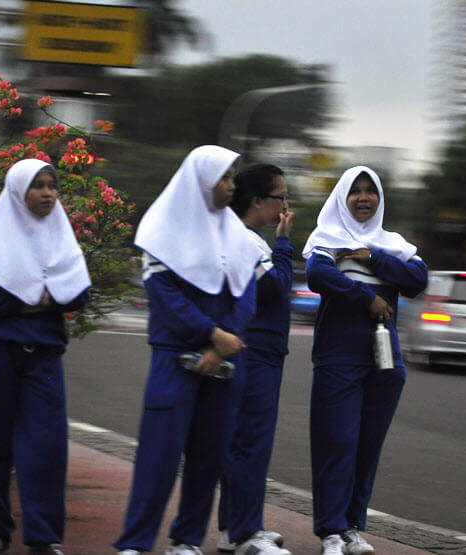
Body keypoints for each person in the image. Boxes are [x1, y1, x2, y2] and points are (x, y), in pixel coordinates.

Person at [114, 145, 262, 555]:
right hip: (174, 357)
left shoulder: (236, 235)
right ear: (201, 179)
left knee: (208, 457)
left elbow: (247, 294)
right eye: (225, 177)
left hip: (226, 360)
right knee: (158, 455)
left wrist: (222, 341)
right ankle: (136, 542)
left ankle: (187, 540)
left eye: (234, 177)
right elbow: (162, 293)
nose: (233, 186)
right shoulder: (162, 227)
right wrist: (211, 334)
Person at [0, 158, 91, 555]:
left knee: (46, 448)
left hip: (43, 357)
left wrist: (26, 297)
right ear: (18, 191)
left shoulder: (61, 236)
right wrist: (42, 298)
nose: (48, 193)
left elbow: (78, 292)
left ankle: (44, 538)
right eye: (39, 186)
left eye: (52, 185)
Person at [302, 166, 427, 555]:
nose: (362, 198)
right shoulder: (326, 237)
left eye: (369, 191)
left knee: (366, 447)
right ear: (342, 197)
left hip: (385, 363)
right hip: (338, 358)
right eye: (354, 191)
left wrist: (373, 257)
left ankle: (354, 526)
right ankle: (331, 532)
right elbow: (318, 275)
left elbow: (418, 279)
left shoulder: (391, 243)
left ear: (379, 199)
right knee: (336, 443)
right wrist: (366, 297)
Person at [216, 164, 294, 555]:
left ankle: (235, 527)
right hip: (256, 354)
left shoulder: (247, 239)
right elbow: (276, 289)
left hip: (261, 352)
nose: (285, 206)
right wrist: (284, 243)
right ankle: (246, 532)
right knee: (251, 443)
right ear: (259, 201)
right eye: (281, 197)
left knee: (243, 441)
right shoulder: (249, 241)